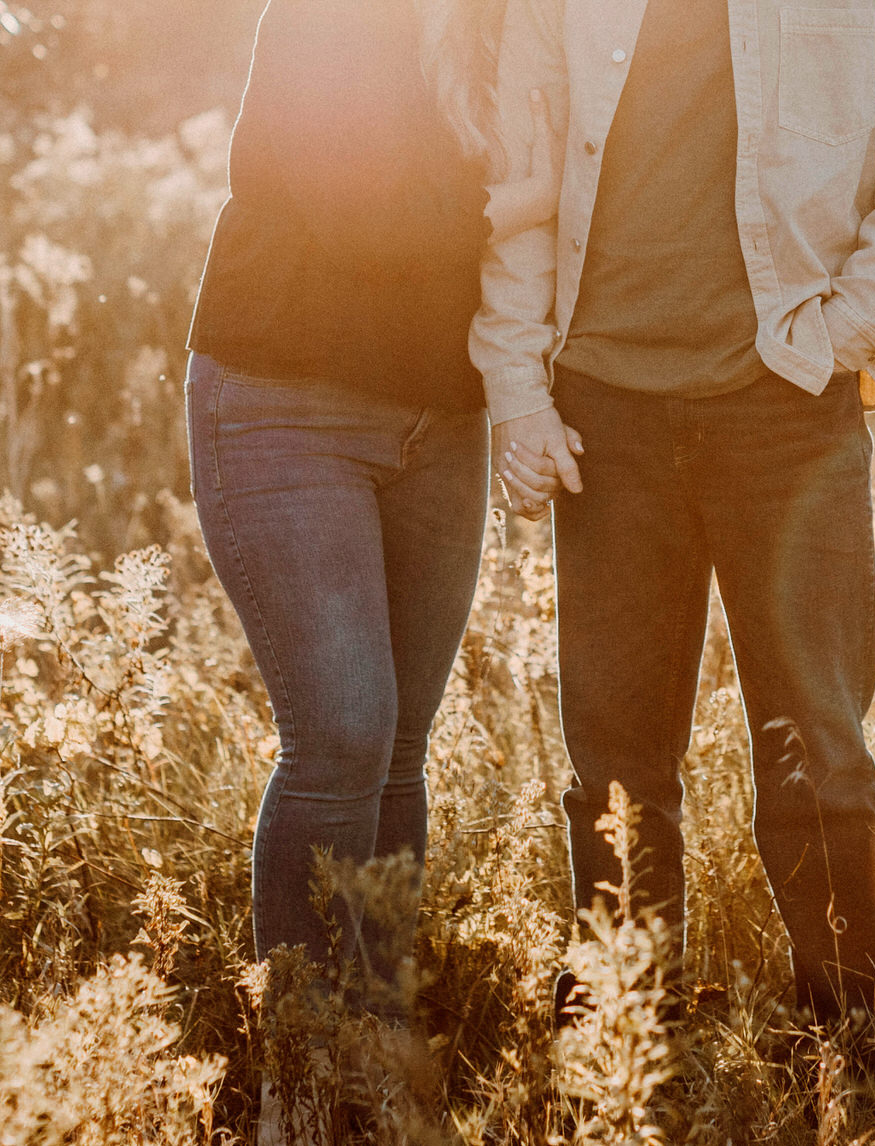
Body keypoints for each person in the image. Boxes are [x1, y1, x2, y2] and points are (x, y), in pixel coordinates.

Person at [472, 0, 875, 1047]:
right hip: (606, 406)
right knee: (614, 754)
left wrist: (846, 327)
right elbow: (521, 180)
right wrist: (518, 392)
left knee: (815, 740)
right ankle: (622, 1031)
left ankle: (856, 1021)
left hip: (787, 403)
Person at [182, 0, 565, 1138]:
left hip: (440, 422)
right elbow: (364, 213)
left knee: (397, 748)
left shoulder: (507, 29)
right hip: (283, 401)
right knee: (343, 731)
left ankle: (377, 1056)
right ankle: (303, 1080)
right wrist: (539, 199)